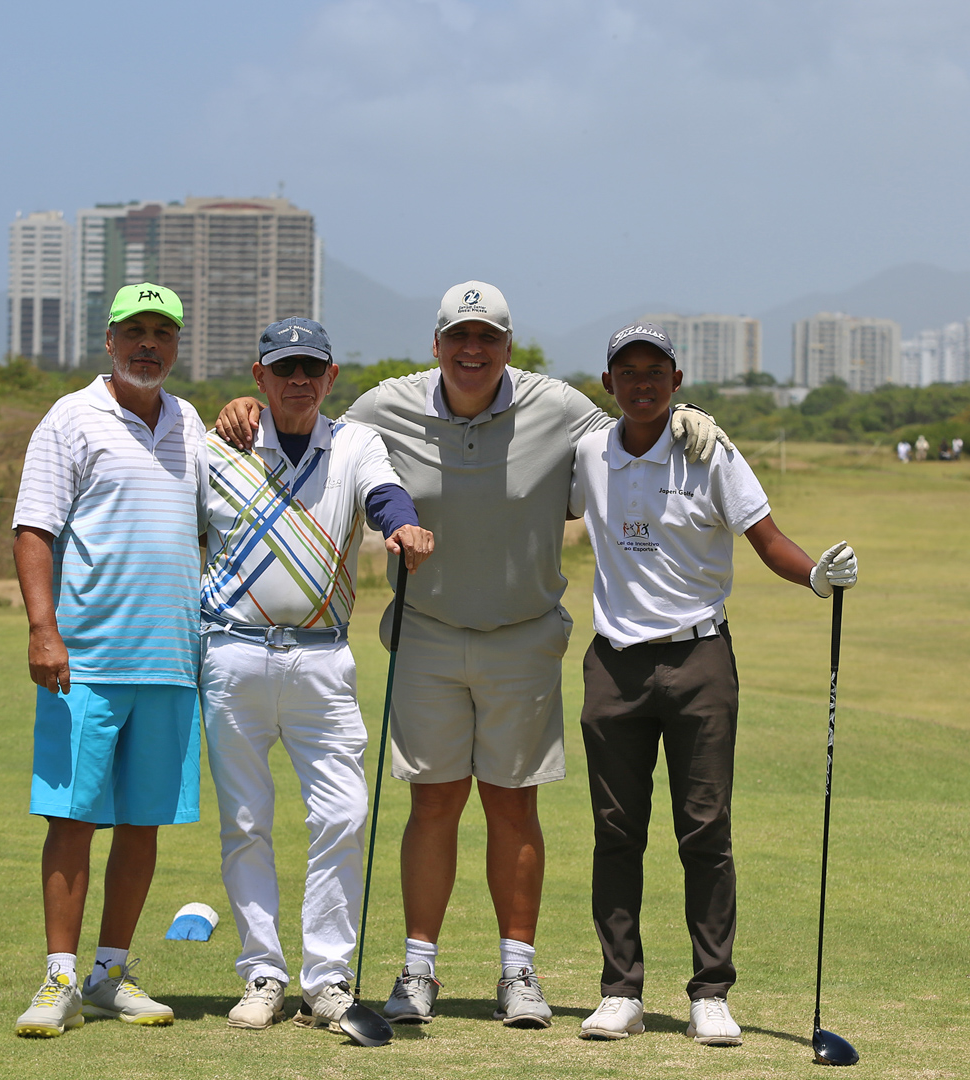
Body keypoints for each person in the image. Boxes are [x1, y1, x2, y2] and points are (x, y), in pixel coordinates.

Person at [214, 283, 725, 1029]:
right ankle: (418, 970)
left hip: (522, 635)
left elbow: (632, 429)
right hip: (426, 635)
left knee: (514, 804)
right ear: (437, 344)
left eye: (487, 337)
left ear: (508, 346)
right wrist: (249, 409)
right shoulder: (387, 405)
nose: (472, 350)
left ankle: (518, 972)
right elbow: (313, 424)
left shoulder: (558, 406)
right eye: (459, 336)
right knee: (433, 803)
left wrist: (685, 414)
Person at [568, 323, 859, 1045]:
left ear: (677, 380)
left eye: (655, 372)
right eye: (627, 372)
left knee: (704, 831)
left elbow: (767, 539)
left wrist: (817, 577)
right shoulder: (587, 454)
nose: (641, 384)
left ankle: (711, 992)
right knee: (616, 833)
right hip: (614, 663)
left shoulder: (710, 451)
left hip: (699, 660)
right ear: (608, 383)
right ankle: (620, 991)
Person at [200, 318, 435, 1033]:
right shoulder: (217, 445)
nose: (298, 380)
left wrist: (401, 526)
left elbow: (384, 494)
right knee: (246, 821)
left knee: (343, 814)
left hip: (323, 658)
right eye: (284, 369)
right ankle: (262, 973)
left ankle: (327, 979)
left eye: (312, 368)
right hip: (232, 653)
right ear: (259, 376)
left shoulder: (356, 441)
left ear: (331, 377)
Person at [11, 283, 207, 1037]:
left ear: (177, 343)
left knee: (143, 824)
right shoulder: (70, 418)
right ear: (110, 340)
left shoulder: (190, 422)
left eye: (163, 332)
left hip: (171, 661)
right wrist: (43, 629)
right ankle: (60, 978)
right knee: (72, 819)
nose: (148, 344)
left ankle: (109, 975)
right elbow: (35, 529)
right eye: (135, 331)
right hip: (86, 661)